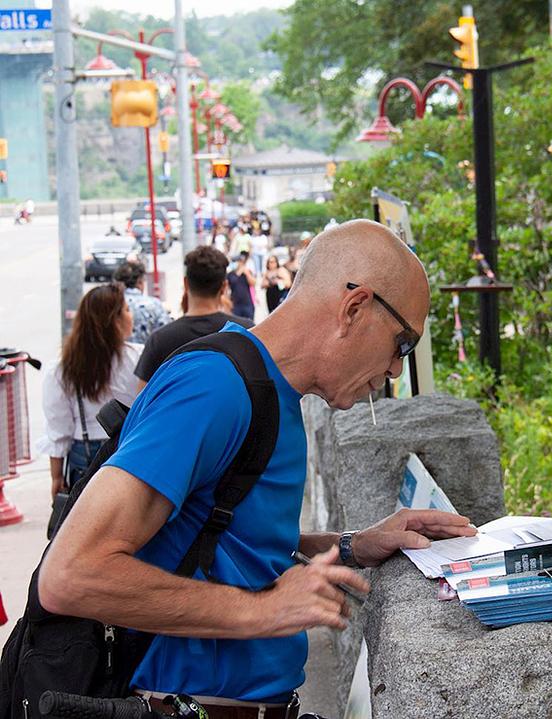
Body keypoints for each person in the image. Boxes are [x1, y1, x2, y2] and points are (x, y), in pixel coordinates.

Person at [38, 220, 476, 709]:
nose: (396, 369)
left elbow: (224, 541)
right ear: (354, 307)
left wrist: (350, 545)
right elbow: (72, 575)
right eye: (402, 344)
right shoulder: (214, 388)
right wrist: (262, 611)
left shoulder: (273, 392)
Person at [40, 283, 141, 500]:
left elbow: (59, 429)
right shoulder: (138, 359)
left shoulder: (63, 367)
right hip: (131, 447)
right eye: (125, 310)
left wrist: (56, 476)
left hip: (83, 454)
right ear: (114, 321)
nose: (130, 316)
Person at [135, 246, 254, 390]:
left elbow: (141, 400)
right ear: (224, 287)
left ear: (185, 284)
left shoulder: (159, 340)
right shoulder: (246, 332)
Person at [113, 260, 172, 344]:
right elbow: (165, 334)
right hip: (149, 355)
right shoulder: (154, 304)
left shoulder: (113, 303)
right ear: (139, 282)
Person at [227, 251, 256, 321]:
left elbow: (253, 283)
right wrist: (239, 271)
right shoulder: (230, 274)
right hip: (235, 304)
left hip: (247, 303)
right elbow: (233, 282)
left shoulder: (247, 272)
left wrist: (247, 273)